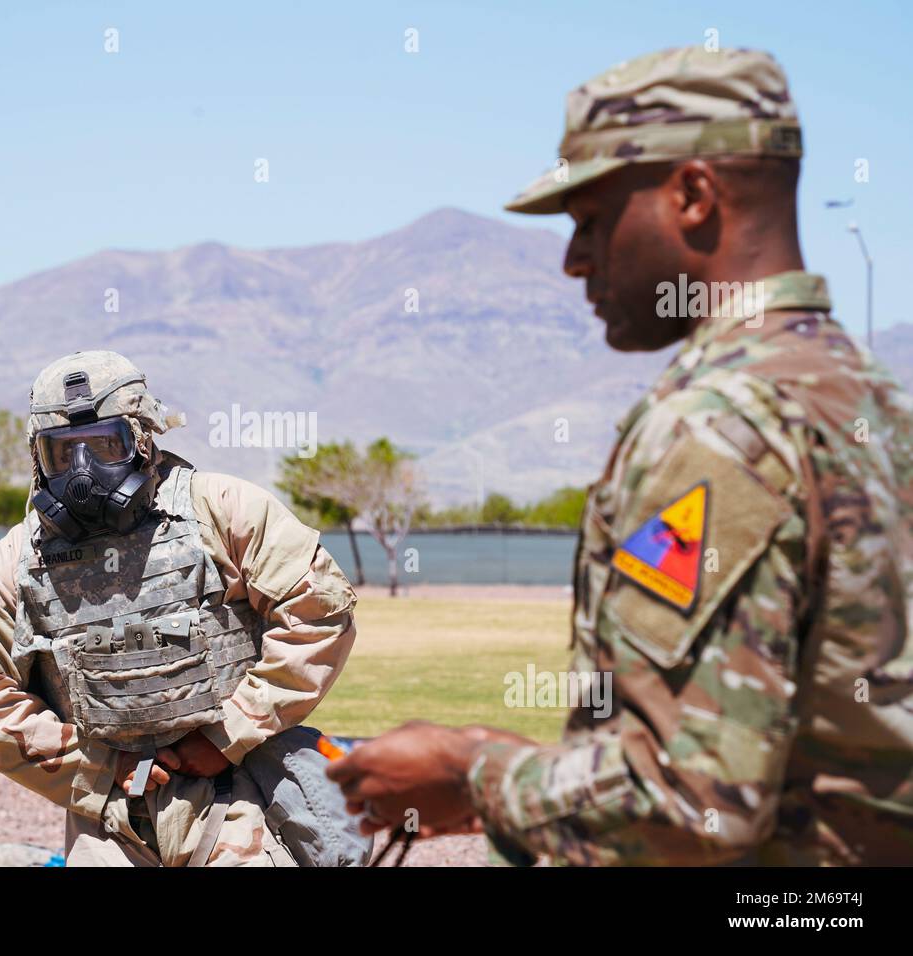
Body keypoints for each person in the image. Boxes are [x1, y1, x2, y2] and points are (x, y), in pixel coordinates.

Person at [328, 45, 913, 865]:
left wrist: (472, 770)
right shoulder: (873, 399)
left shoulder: (718, 425)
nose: (573, 260)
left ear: (694, 196)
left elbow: (686, 807)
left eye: (592, 219)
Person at [0, 350, 367, 866]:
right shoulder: (17, 561)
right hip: (109, 819)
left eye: (103, 445)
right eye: (62, 453)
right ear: (38, 456)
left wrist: (228, 734)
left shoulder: (223, 510)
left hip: (238, 799)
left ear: (143, 438)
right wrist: (100, 767)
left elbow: (319, 611)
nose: (83, 472)